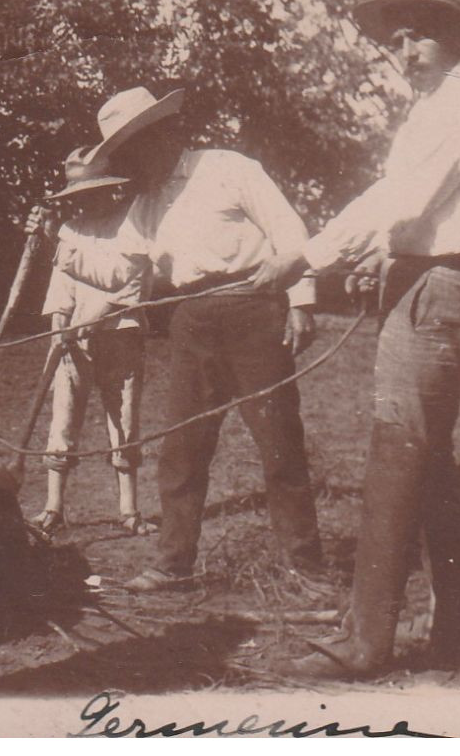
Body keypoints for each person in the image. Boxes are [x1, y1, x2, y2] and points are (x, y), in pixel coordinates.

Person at [255, 0, 460, 677]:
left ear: (455, 35)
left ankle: (363, 641)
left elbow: (400, 198)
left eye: (415, 39)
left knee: (396, 454)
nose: (402, 55)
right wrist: (370, 252)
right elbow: (403, 207)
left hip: (439, 288)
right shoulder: (452, 103)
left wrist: (302, 258)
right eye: (394, 42)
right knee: (425, 460)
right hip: (433, 281)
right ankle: (457, 623)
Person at [95, 87, 327, 593]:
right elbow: (120, 268)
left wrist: (302, 301)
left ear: (162, 134)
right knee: (183, 446)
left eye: (134, 148)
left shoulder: (228, 168)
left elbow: (291, 232)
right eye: (122, 154)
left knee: (279, 443)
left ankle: (306, 568)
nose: (130, 162)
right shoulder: (146, 201)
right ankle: (173, 563)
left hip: (253, 309)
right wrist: (62, 246)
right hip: (191, 322)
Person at [27, 148, 156, 537]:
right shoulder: (69, 231)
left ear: (110, 189)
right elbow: (62, 286)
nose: (85, 200)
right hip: (72, 343)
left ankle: (129, 511)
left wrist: (93, 320)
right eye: (78, 194)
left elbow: (131, 285)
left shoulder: (131, 224)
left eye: (93, 191)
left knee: (124, 420)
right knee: (64, 417)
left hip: (121, 334)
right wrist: (59, 328)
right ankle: (53, 508)